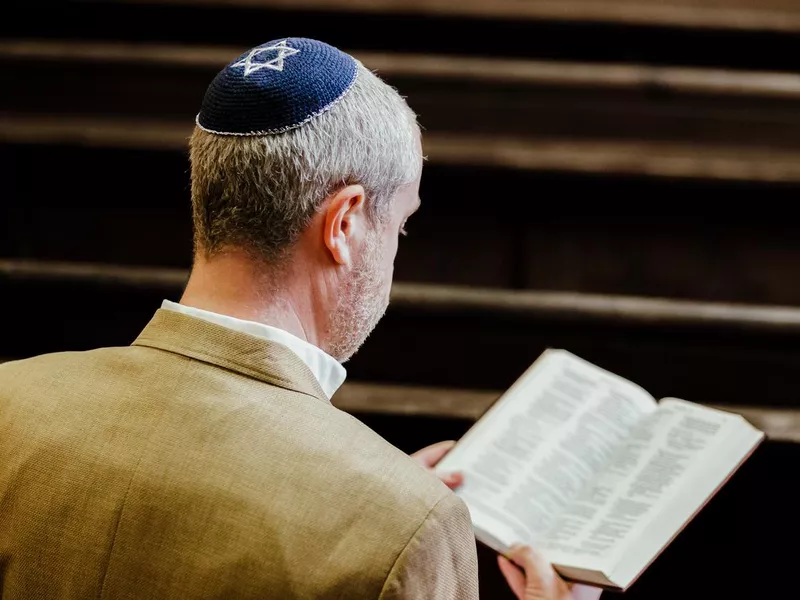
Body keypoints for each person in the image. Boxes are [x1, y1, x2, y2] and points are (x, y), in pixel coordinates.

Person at [0, 38, 600, 600]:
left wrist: (373, 498)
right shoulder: (408, 527)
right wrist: (385, 516)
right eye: (401, 224)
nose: (397, 250)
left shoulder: (9, 400)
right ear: (344, 224)